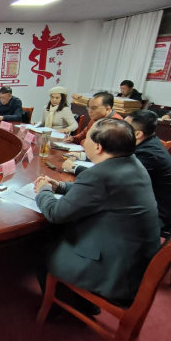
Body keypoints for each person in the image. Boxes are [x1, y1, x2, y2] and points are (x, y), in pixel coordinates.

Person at [34, 118, 160, 304]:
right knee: (59, 233)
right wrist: (60, 186)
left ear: (98, 147)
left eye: (88, 138)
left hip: (114, 271)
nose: (84, 141)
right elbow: (99, 193)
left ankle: (63, 307)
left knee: (41, 251)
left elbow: (55, 213)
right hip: (132, 258)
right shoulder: (132, 164)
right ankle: (79, 301)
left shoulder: (99, 175)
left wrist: (43, 190)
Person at [64, 92, 122, 158]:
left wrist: (84, 142)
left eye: (93, 108)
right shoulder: (96, 118)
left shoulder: (115, 124)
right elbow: (84, 135)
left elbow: (96, 147)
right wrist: (73, 138)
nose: (89, 111)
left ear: (107, 109)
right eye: (88, 107)